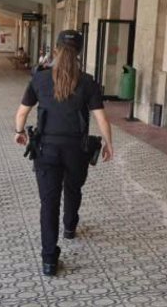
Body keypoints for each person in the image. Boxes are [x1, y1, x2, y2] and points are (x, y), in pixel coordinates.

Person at [14, 30, 114, 276]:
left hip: (46, 148)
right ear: (79, 52)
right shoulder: (88, 81)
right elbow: (101, 118)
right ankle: (69, 226)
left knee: (48, 203)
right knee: (73, 188)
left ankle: (49, 259)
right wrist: (108, 143)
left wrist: (19, 132)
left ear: (56, 50)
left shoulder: (40, 79)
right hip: (76, 149)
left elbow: (22, 113)